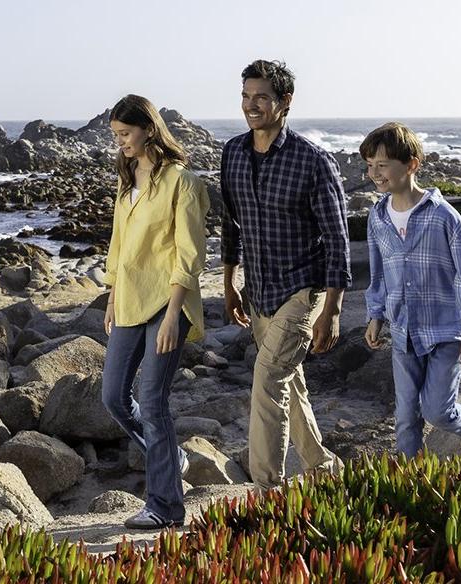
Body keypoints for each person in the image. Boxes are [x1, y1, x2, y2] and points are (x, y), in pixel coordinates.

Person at [220, 60, 347, 490]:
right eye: (245, 96)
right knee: (290, 387)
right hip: (258, 291)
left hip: (301, 290)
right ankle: (324, 468)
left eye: (261, 97)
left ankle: (266, 491)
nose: (251, 105)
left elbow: (337, 239)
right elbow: (231, 224)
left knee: (268, 380)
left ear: (284, 101)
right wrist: (229, 284)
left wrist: (331, 309)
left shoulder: (313, 162)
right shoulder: (233, 153)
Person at [101, 94, 210, 529]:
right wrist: (111, 296)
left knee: (153, 400)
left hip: (169, 304)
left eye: (125, 134)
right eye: (115, 136)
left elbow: (189, 252)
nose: (121, 143)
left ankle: (165, 507)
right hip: (129, 300)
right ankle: (173, 456)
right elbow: (118, 244)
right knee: (113, 397)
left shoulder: (182, 182)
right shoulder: (127, 179)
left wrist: (172, 314)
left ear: (148, 128)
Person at [361, 122, 461, 457]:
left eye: (383, 165)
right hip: (403, 332)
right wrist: (375, 315)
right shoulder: (377, 217)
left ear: (411, 165)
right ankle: (410, 483)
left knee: (437, 411)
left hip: (446, 331)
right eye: (370, 165)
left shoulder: (443, 216)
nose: (375, 173)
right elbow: (378, 274)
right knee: (405, 418)